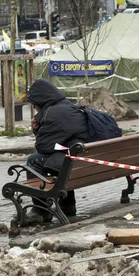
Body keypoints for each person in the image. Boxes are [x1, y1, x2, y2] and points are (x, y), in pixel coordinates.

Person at [25, 79, 89, 222]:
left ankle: (41, 210)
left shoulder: (53, 113)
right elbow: (58, 141)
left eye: (34, 103)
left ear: (41, 100)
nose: (34, 107)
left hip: (73, 163)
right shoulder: (68, 107)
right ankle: (68, 206)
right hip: (85, 163)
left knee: (34, 160)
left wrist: (37, 129)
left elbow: (42, 147)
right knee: (63, 161)